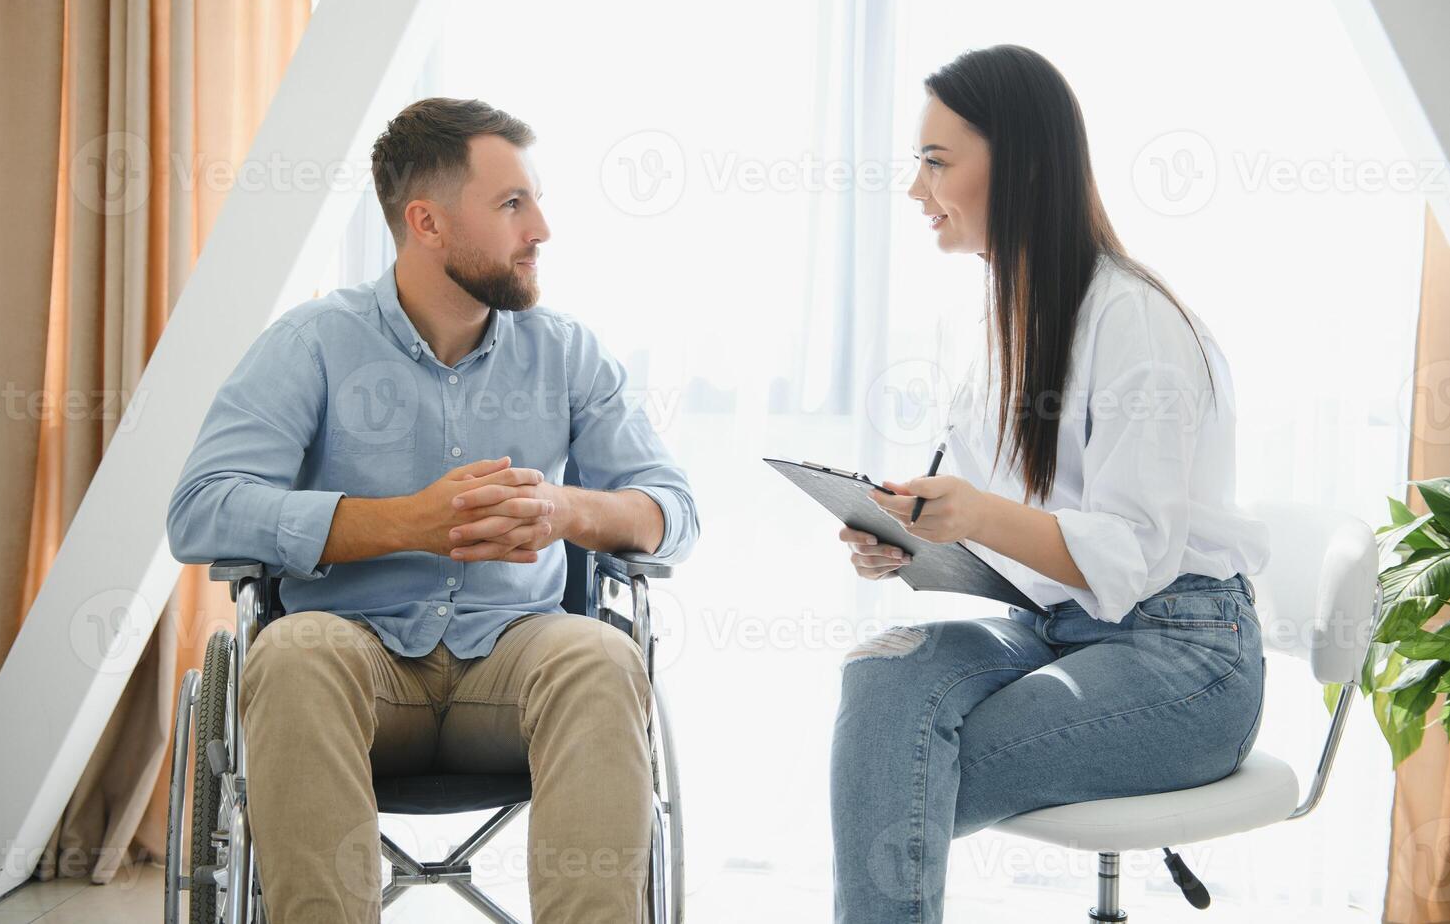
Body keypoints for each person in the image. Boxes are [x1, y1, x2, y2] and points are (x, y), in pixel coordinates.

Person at [166, 96, 699, 924]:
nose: (542, 230)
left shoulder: (566, 353)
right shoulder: (310, 344)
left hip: (517, 667)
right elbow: (202, 511)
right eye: (513, 204)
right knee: (294, 651)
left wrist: (565, 510)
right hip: (359, 668)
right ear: (428, 222)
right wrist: (404, 522)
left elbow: (673, 510)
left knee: (600, 656)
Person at [829, 45, 1270, 922]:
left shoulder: (1133, 322)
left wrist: (980, 514)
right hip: (1056, 631)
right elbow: (997, 528)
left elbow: (1131, 556)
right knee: (881, 680)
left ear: (1020, 164)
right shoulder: (1004, 322)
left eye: (936, 161)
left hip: (1183, 655)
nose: (916, 189)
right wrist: (910, 536)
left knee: (901, 768)